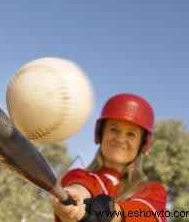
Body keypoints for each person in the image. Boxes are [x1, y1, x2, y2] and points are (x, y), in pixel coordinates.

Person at [53, 93, 167, 222]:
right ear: (100, 134)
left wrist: (108, 213)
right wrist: (74, 201)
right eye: (113, 129)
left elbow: (146, 215)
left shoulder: (152, 190)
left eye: (131, 134)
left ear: (143, 145)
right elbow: (79, 188)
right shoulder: (78, 176)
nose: (120, 139)